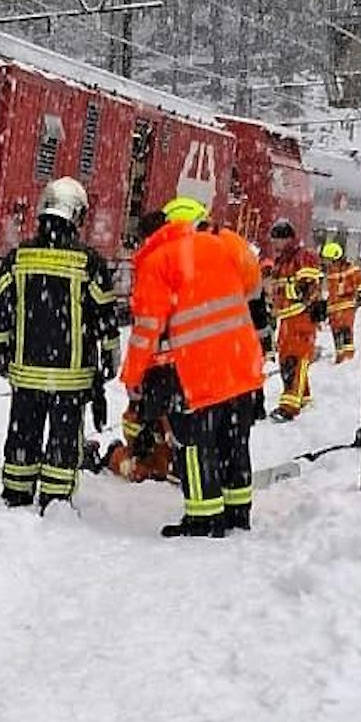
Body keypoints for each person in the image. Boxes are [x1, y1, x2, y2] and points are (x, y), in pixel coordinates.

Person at [120, 196, 268, 538]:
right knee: (234, 442)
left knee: (194, 445)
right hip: (241, 364)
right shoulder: (222, 248)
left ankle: (203, 518)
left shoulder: (159, 261)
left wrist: (133, 376)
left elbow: (147, 330)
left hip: (198, 373)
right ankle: (236, 512)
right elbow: (249, 292)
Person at [0, 177, 120, 513]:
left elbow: (0, 310)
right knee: (63, 439)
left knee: (23, 434)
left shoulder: (18, 259)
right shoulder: (88, 263)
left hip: (26, 371)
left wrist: (1, 352)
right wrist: (109, 358)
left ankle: (16, 493)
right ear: (76, 215)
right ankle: (55, 501)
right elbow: (105, 316)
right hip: (70, 377)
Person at [266, 219, 327, 421]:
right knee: (287, 360)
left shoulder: (302, 256)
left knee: (295, 359)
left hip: (301, 316)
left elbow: (308, 285)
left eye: (278, 239)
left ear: (288, 239)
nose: (274, 244)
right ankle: (303, 398)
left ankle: (289, 407)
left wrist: (294, 293)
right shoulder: (281, 261)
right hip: (287, 317)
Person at [321, 240, 361, 363]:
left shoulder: (350, 269)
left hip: (346, 306)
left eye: (328, 259)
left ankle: (348, 357)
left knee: (345, 330)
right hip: (333, 308)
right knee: (336, 332)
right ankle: (340, 357)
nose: (327, 262)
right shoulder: (329, 272)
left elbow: (360, 281)